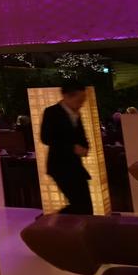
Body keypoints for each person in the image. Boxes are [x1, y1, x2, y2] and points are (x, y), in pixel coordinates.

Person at [40, 82, 93, 215]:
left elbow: (81, 136)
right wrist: (72, 148)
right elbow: (46, 138)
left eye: (83, 100)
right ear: (66, 96)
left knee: (85, 205)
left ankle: (69, 228)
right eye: (79, 100)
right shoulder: (52, 112)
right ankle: (52, 222)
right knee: (80, 205)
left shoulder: (77, 114)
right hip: (59, 165)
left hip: (75, 166)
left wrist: (85, 147)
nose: (81, 103)